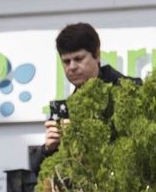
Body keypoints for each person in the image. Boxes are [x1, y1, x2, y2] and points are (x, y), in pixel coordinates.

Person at [37, 22, 142, 170]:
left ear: (97, 55)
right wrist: (49, 149)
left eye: (78, 59)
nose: (72, 67)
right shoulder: (66, 109)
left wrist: (82, 133)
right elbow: (46, 174)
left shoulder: (131, 90)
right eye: (66, 61)